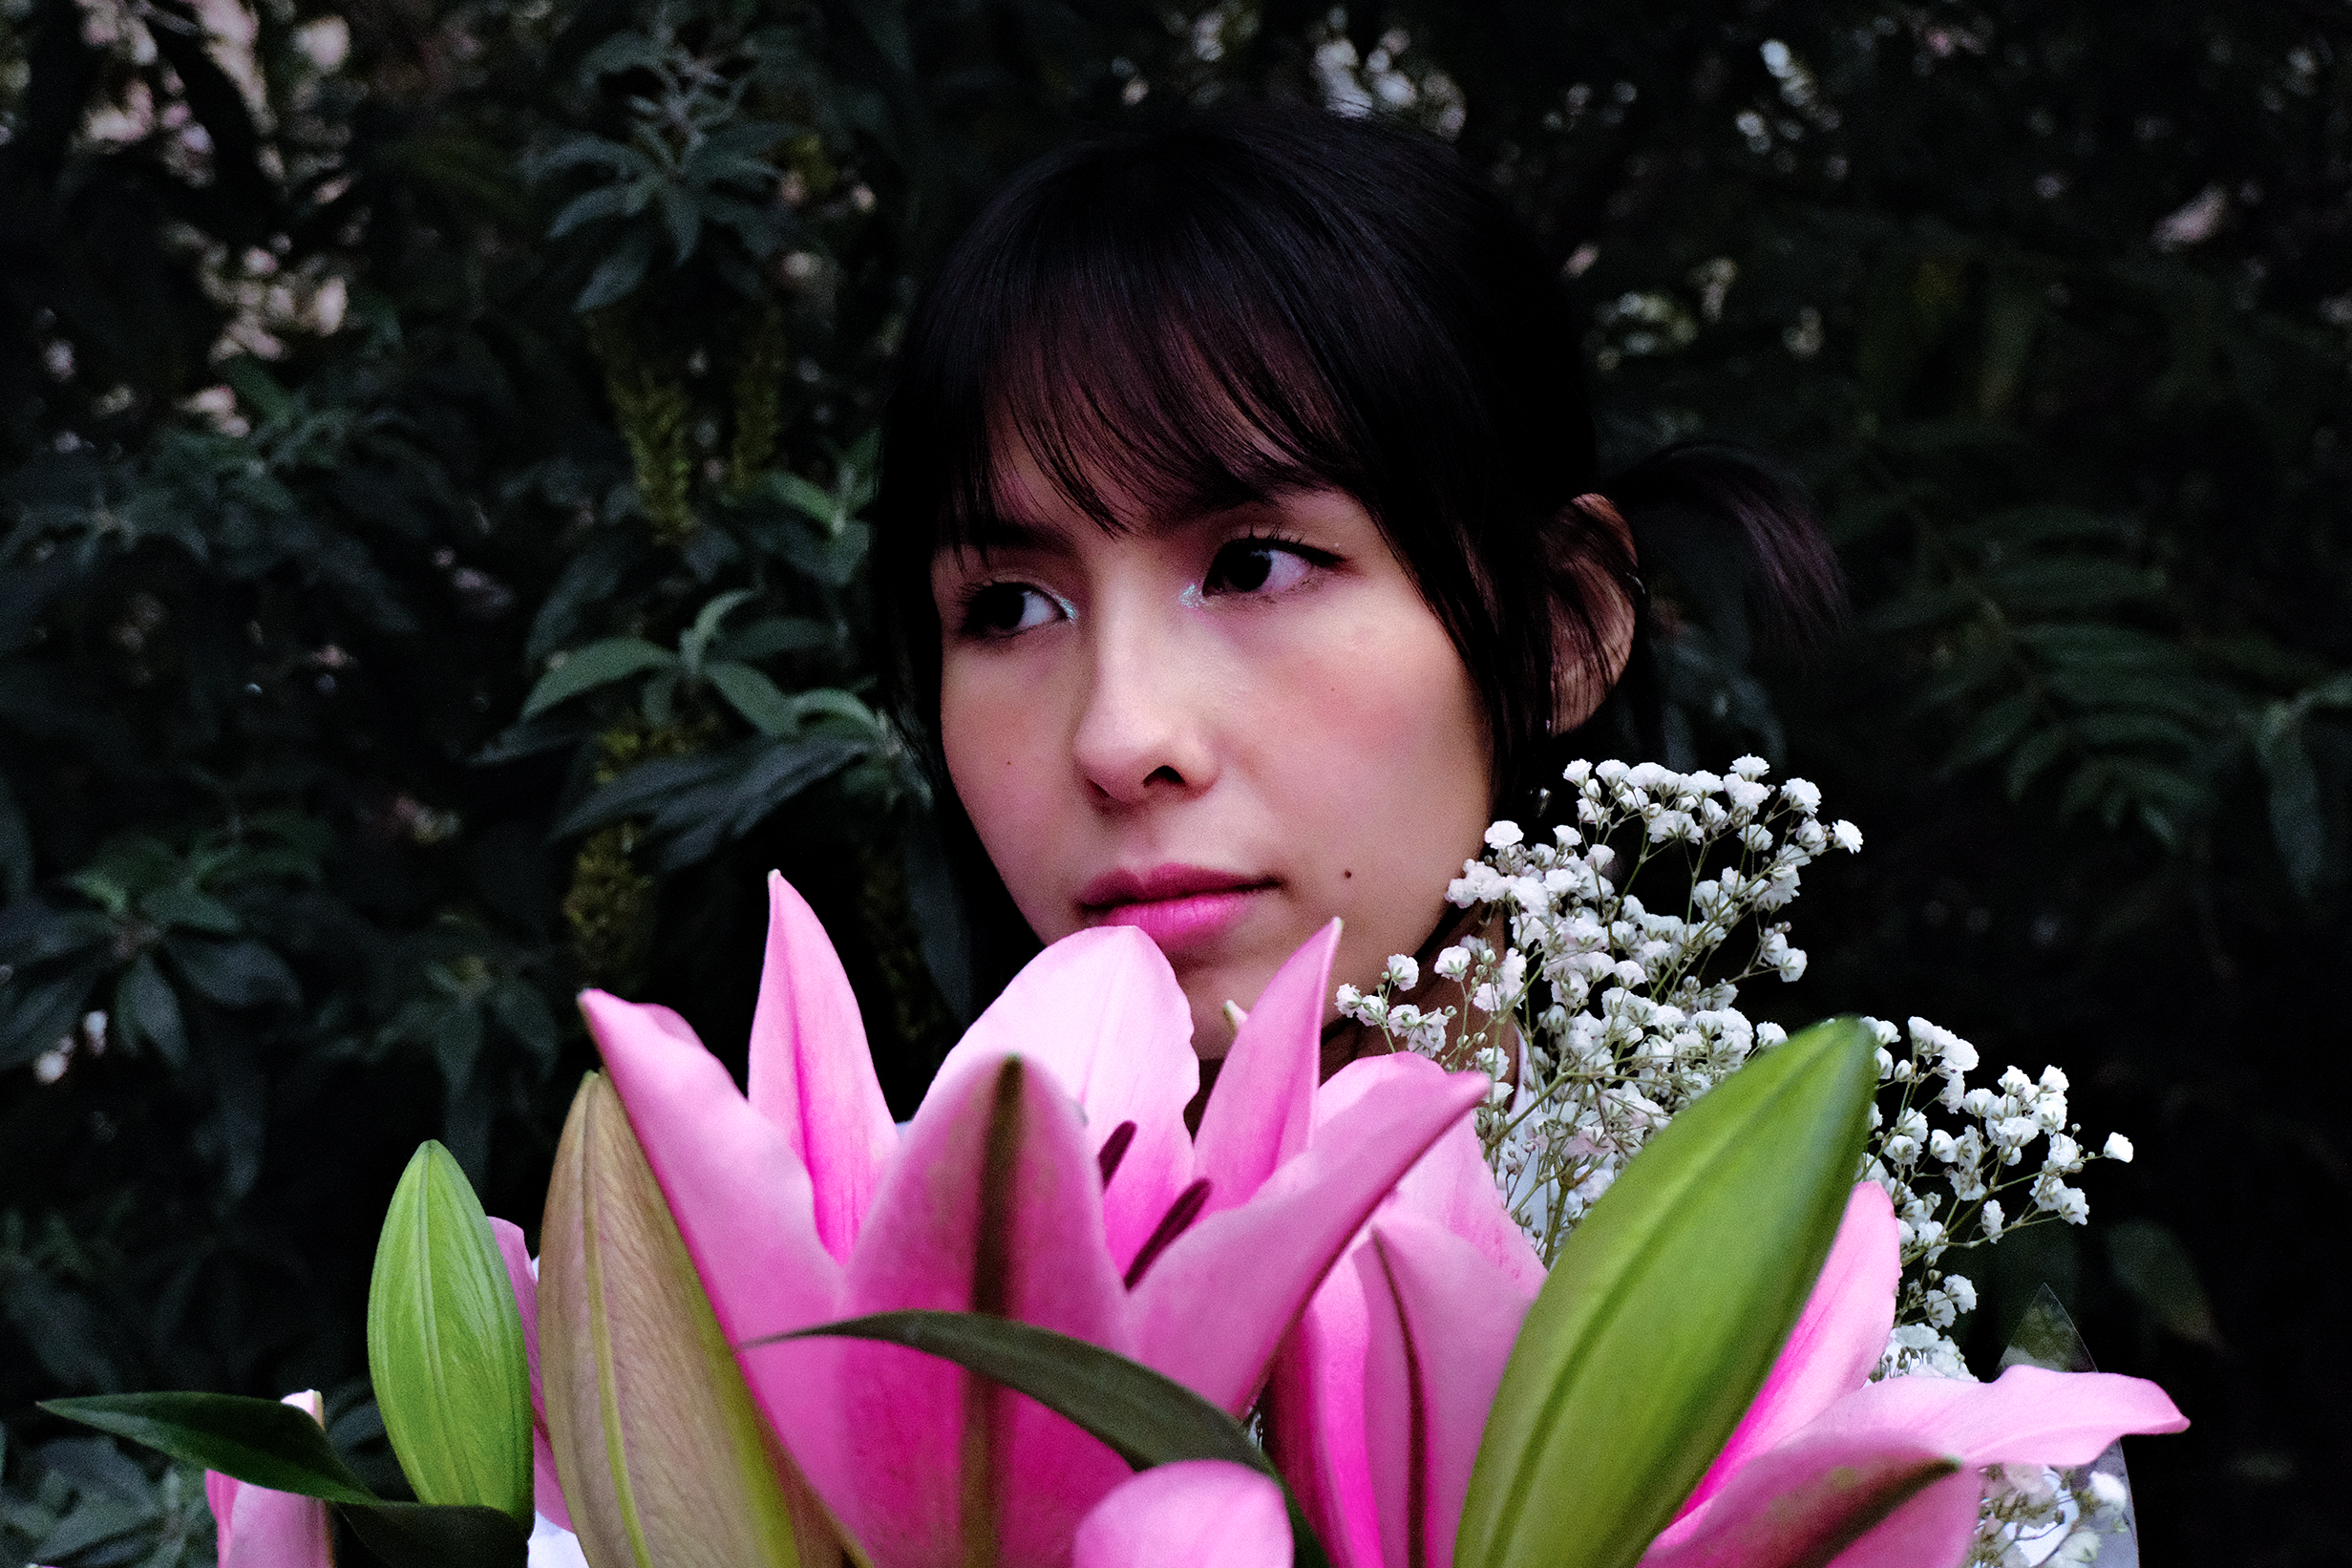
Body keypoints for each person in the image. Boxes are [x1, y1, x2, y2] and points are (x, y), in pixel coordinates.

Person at [873, 105, 1839, 1076]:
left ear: (1563, 624)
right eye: (1010, 607)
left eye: (1253, 566)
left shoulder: (1767, 1230)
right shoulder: (805, 1231)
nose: (1120, 741)